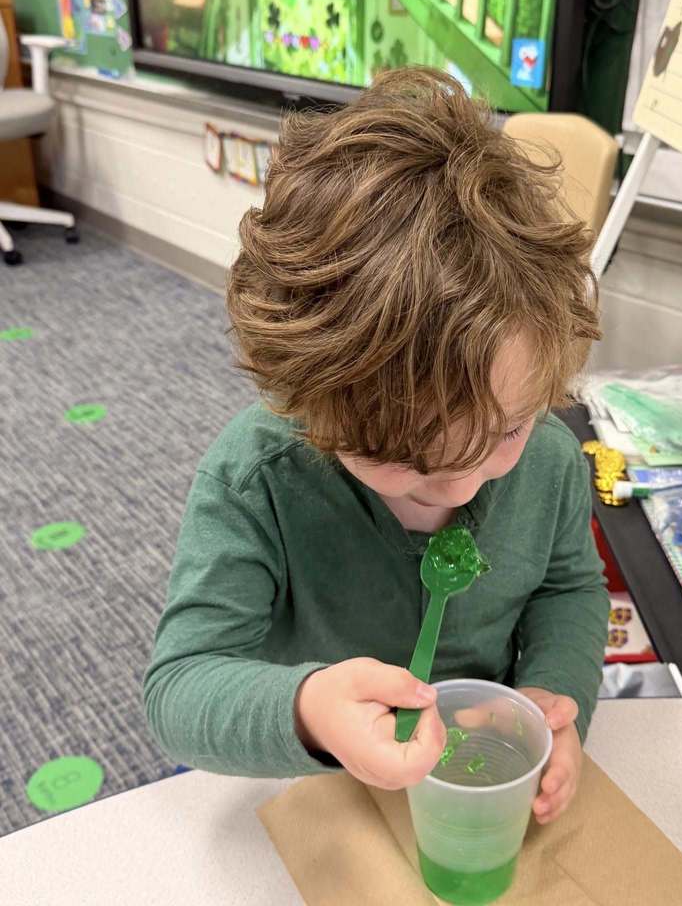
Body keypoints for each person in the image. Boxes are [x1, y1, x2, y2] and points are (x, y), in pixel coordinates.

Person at [144, 67, 608, 826]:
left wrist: (560, 700)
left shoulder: (552, 463)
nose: (458, 490)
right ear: (307, 401)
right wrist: (308, 709)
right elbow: (181, 686)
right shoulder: (257, 478)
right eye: (406, 456)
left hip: (471, 773)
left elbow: (570, 590)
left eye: (504, 434)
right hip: (309, 790)